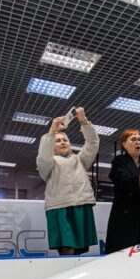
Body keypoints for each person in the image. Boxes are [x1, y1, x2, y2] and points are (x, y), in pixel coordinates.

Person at [36, 107, 99, 255]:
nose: (63, 142)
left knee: (81, 250)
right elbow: (43, 155)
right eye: (58, 141)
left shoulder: (81, 160)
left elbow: (93, 144)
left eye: (65, 140)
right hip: (60, 208)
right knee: (67, 249)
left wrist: (84, 122)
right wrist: (52, 131)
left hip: (82, 205)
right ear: (52, 146)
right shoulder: (48, 163)